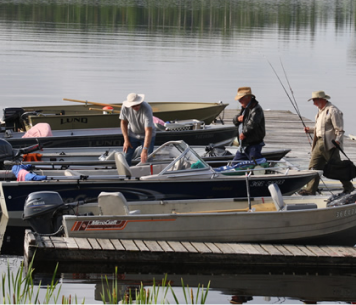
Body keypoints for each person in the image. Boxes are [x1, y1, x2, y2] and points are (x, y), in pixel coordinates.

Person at [298, 90, 355, 195]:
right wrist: (310, 129)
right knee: (313, 167)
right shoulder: (320, 111)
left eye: (315, 100)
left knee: (336, 166)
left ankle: (348, 186)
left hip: (330, 144)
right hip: (319, 143)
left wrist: (337, 141)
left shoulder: (333, 111)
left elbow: (340, 130)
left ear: (321, 100)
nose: (313, 103)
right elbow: (321, 128)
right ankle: (310, 190)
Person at [120, 93, 156, 166]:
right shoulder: (124, 107)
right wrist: (126, 140)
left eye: (138, 104)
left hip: (147, 135)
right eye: (133, 105)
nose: (136, 107)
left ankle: (146, 173)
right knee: (126, 156)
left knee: (146, 158)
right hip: (132, 134)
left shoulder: (147, 108)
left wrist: (145, 149)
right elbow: (123, 123)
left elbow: (148, 130)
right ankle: (128, 173)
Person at [232, 87, 265, 164]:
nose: (239, 101)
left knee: (256, 164)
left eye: (241, 98)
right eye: (239, 99)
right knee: (234, 164)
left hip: (253, 145)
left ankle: (262, 172)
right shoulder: (245, 108)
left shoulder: (256, 109)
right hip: (243, 146)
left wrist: (244, 133)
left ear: (248, 98)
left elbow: (253, 124)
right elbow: (235, 120)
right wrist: (237, 118)